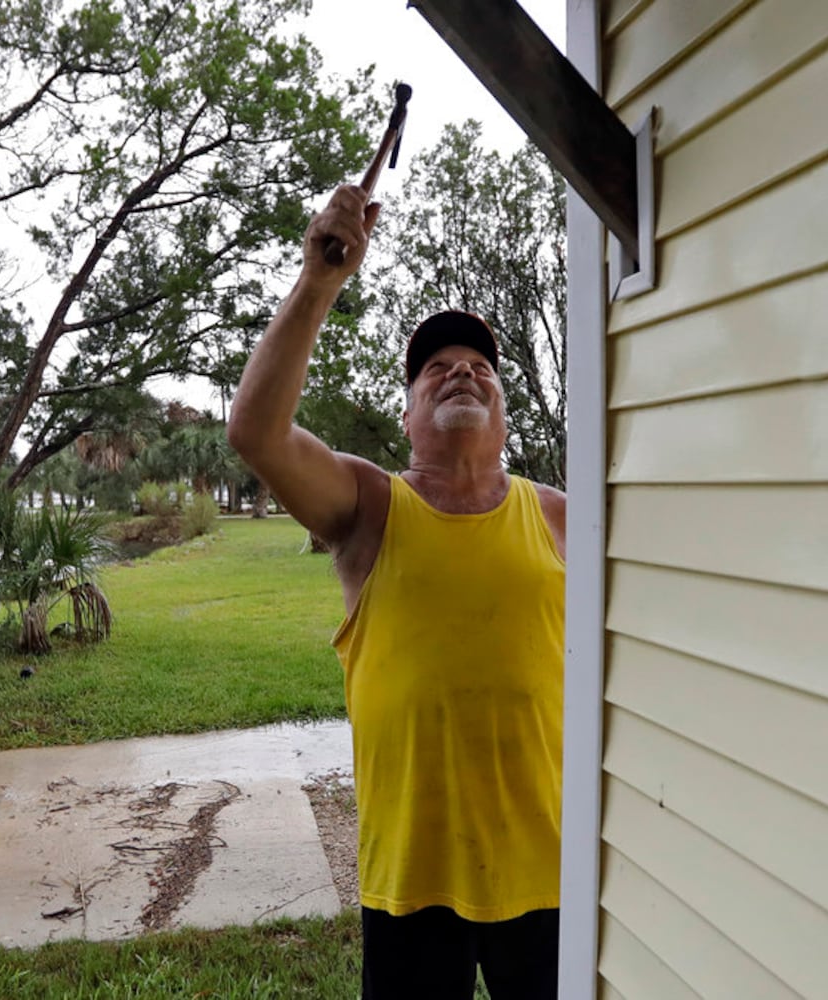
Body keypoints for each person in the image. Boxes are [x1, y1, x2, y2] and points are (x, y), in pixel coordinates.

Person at [227, 184, 566, 999]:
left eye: (480, 369)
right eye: (437, 371)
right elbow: (255, 433)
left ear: (505, 416)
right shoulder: (370, 505)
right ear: (409, 414)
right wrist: (319, 281)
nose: (461, 375)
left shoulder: (560, 515)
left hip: (550, 867)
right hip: (413, 877)